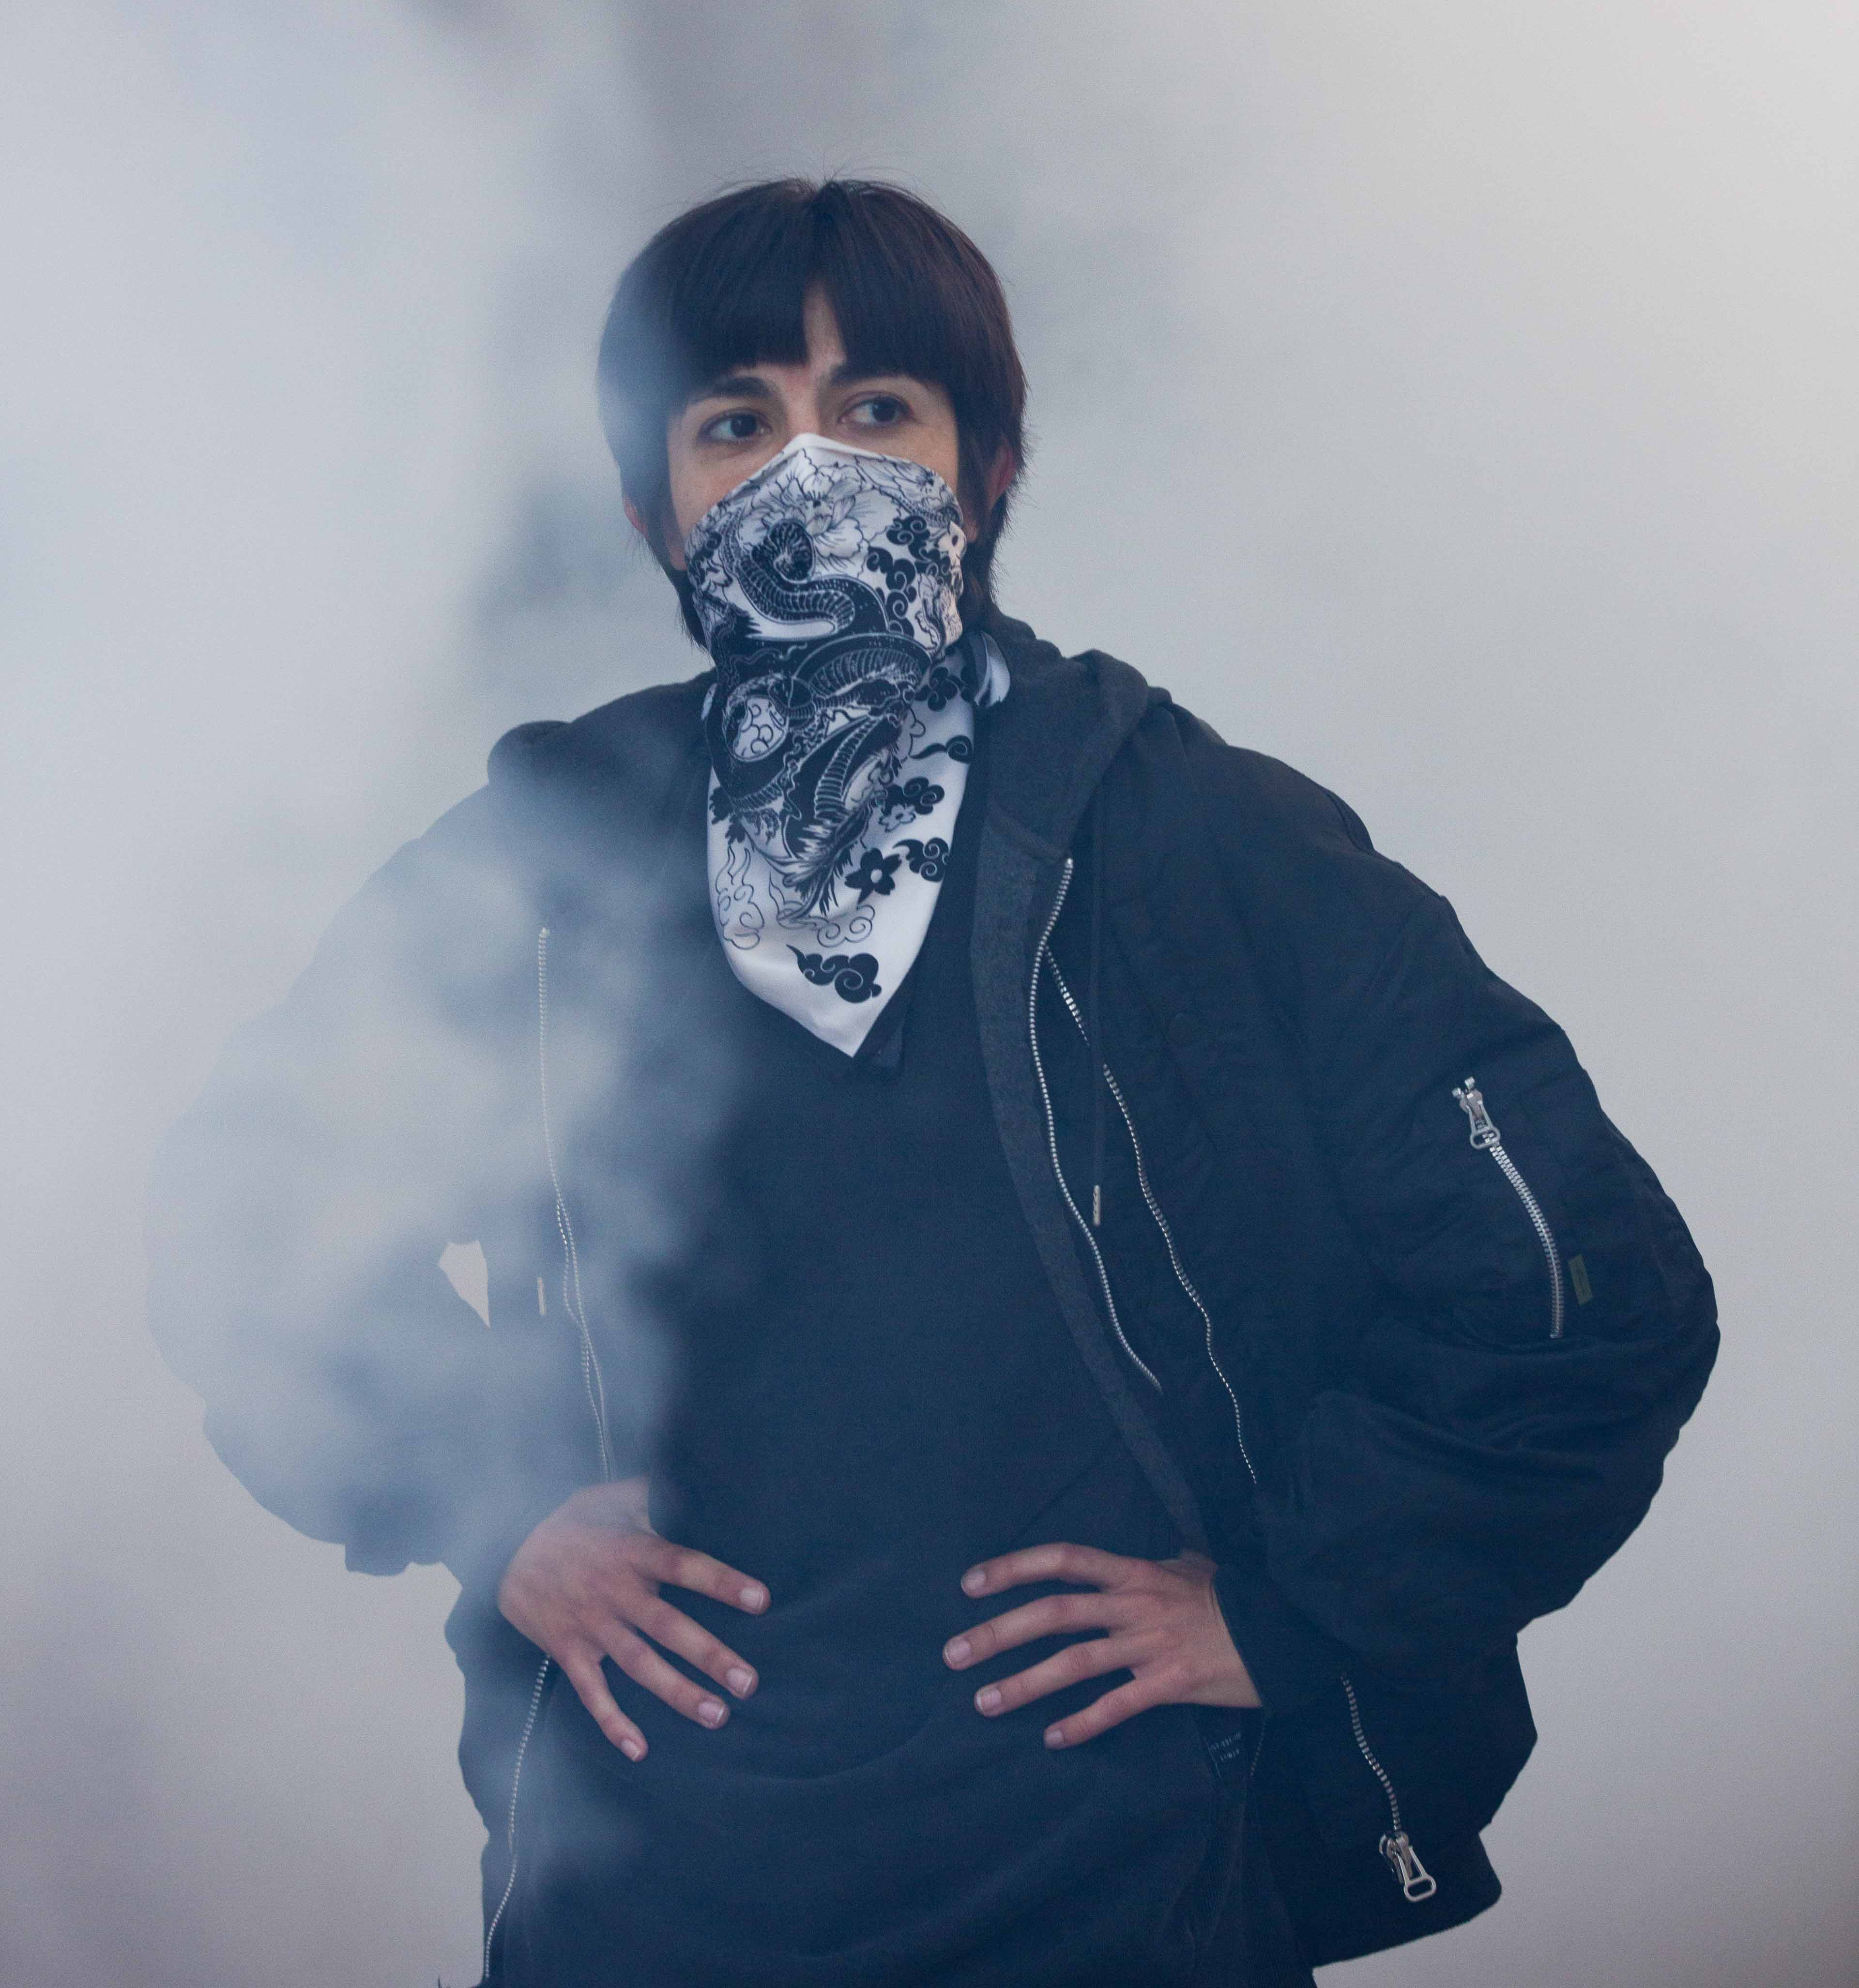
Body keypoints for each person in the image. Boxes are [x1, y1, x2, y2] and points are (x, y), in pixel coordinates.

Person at [148, 177, 1718, 1987]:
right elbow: (253, 1217)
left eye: (877, 408)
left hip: (1119, 1874)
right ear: (652, 505)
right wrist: (482, 1506)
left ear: (989, 469)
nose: (810, 473)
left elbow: (1584, 1288)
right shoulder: (547, 861)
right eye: (737, 423)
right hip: (647, 1881)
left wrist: (1296, 1606)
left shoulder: (1197, 838)